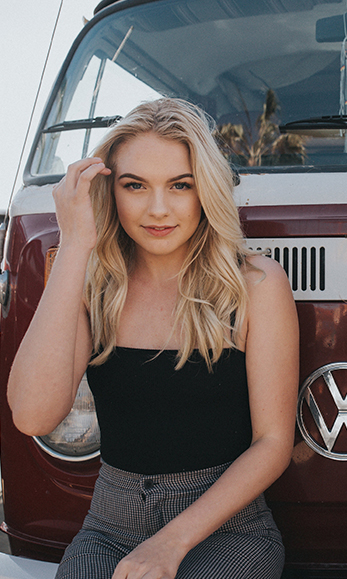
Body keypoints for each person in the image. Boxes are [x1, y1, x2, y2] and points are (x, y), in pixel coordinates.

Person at [8, 98, 298, 579]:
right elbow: (32, 414)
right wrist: (77, 241)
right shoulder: (94, 284)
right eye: (135, 185)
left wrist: (168, 545)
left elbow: (273, 443)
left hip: (229, 529)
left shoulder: (255, 285)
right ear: (111, 191)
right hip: (108, 524)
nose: (158, 208)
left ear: (204, 189)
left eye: (180, 185)